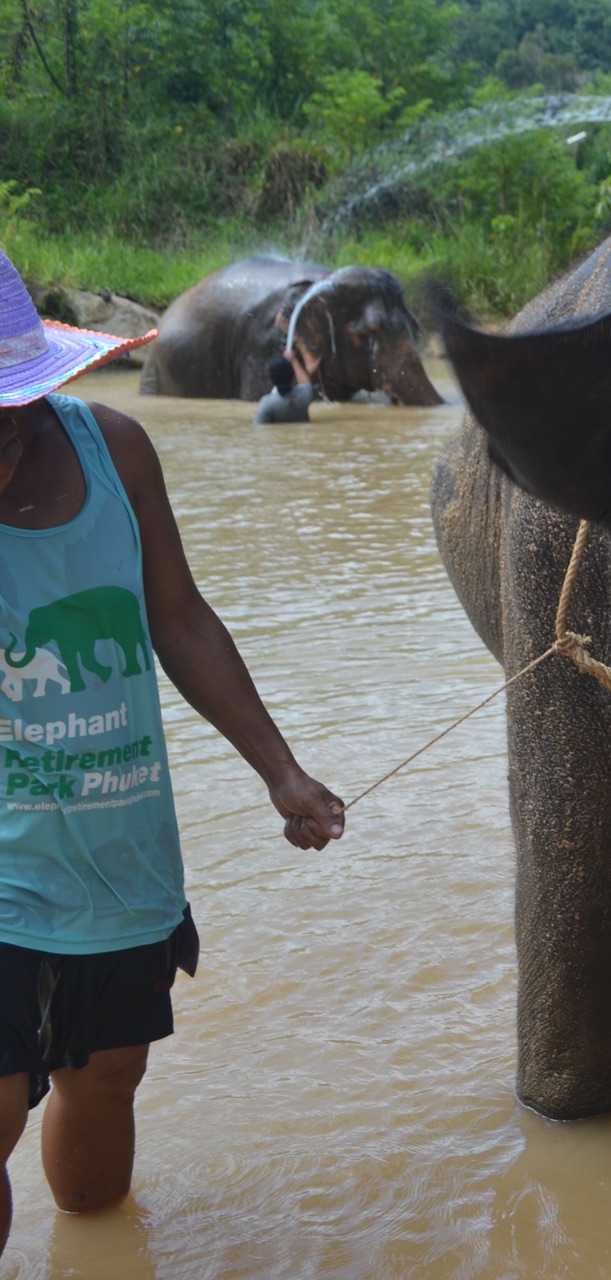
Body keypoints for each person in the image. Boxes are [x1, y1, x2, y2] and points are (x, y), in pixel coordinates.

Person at [0, 248, 343, 1251]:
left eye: (10, 411)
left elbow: (181, 619)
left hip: (119, 858)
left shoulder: (117, 451)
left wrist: (281, 768)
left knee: (104, 1083)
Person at [253, 343, 314, 424]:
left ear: (271, 379)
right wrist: (294, 360)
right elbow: (306, 383)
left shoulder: (267, 404)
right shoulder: (304, 397)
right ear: (292, 375)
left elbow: (258, 426)